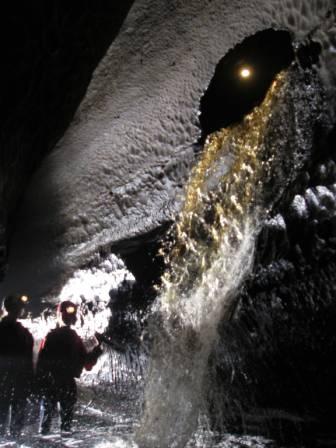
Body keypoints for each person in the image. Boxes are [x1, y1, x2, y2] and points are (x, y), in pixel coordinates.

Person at [37, 300, 102, 434]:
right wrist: (97, 350)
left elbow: (41, 364)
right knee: (64, 426)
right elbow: (87, 363)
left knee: (45, 425)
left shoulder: (51, 336)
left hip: (52, 383)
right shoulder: (71, 338)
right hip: (64, 384)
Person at [0, 294, 34, 437]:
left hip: (3, 377)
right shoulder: (23, 332)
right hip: (18, 378)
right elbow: (28, 356)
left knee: (2, 408)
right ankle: (14, 436)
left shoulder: (5, 329)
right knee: (17, 409)